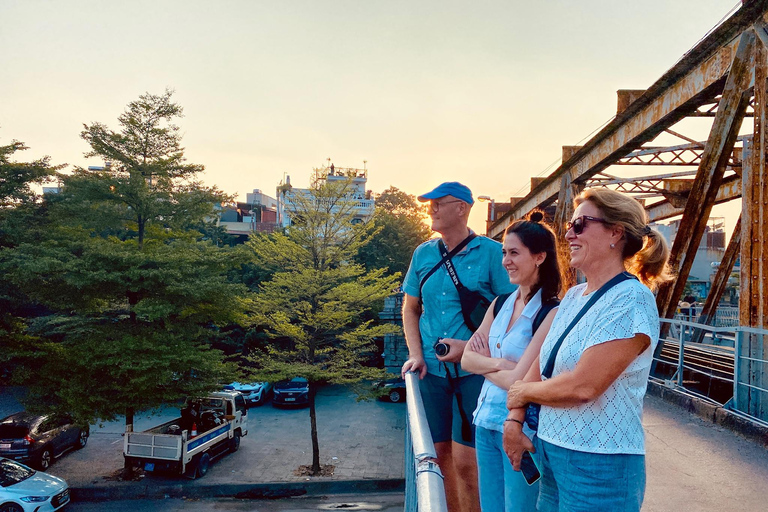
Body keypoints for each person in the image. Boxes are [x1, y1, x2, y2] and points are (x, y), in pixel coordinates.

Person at [503, 188, 672, 512]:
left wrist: (521, 393)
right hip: (551, 452)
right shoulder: (575, 295)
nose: (568, 233)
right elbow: (545, 360)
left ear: (615, 233)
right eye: (570, 224)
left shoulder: (631, 300)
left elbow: (584, 386)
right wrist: (514, 418)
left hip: (599, 463)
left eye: (580, 224)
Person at [401, 181, 515, 512]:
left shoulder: (493, 254)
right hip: (432, 373)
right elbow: (411, 308)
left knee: (469, 463)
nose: (431, 209)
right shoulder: (423, 254)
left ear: (462, 208)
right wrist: (416, 355)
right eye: (429, 204)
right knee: (438, 458)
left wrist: (467, 348)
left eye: (438, 203)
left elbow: (511, 314)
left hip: (474, 372)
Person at [461, 211, 563, 512]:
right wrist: (501, 366)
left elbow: (521, 382)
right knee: (490, 507)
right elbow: (467, 359)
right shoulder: (501, 303)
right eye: (504, 252)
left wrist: (488, 362)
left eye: (514, 253)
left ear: (540, 257)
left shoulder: (551, 312)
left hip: (521, 430)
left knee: (519, 508)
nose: (506, 260)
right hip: (484, 422)